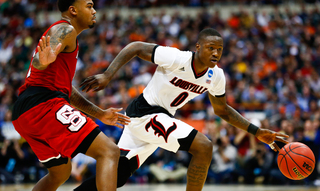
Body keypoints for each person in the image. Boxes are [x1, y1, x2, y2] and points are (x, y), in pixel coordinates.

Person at [79, 28, 289, 190]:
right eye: (210, 48)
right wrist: (107, 74)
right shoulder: (177, 58)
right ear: (198, 46)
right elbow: (135, 47)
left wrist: (256, 131)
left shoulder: (216, 76)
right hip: (145, 113)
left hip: (157, 118)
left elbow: (222, 110)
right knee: (203, 147)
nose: (216, 53)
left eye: (219, 49)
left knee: (117, 174)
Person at [12, 0, 130, 191]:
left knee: (60, 172)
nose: (94, 11)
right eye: (90, 6)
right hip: (43, 105)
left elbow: (66, 90)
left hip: (25, 112)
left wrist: (100, 113)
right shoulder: (65, 29)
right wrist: (42, 61)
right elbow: (42, 61)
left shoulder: (68, 38)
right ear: (73, 10)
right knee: (109, 151)